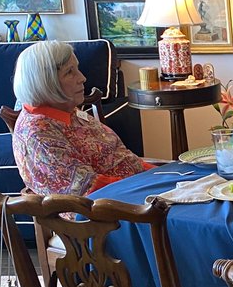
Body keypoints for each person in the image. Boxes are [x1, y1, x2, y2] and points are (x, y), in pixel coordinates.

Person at [12, 41, 150, 196]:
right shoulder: (39, 134)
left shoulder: (67, 111)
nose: (82, 78)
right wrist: (151, 185)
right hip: (119, 203)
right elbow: (88, 188)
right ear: (45, 82)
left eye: (77, 69)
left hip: (138, 186)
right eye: (69, 72)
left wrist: (159, 174)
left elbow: (122, 157)